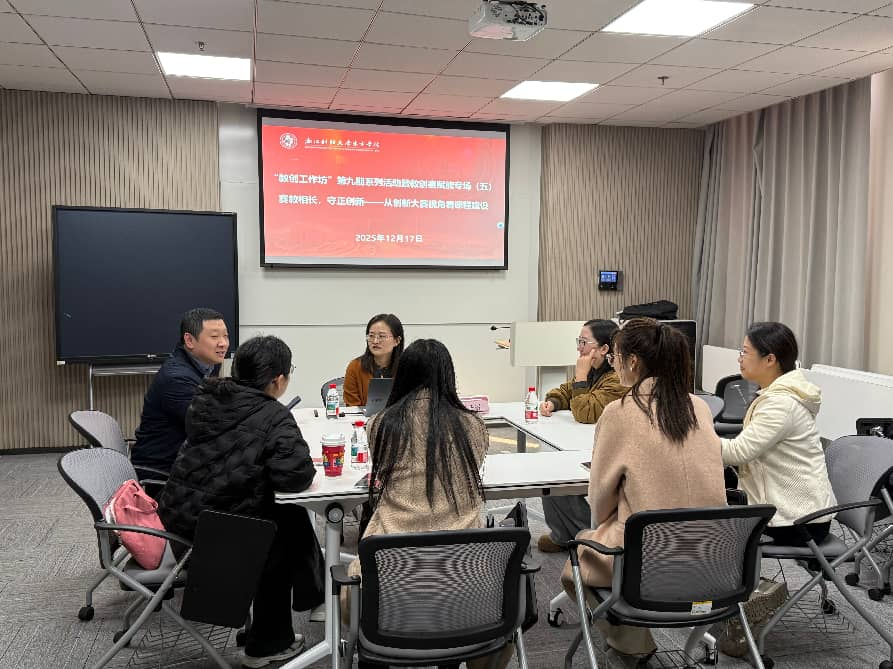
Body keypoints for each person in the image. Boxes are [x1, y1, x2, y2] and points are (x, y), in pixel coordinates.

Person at [560, 318, 726, 658]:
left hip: (647, 560)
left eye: (616, 357)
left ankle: (633, 644)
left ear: (633, 361)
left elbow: (600, 504)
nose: (613, 364)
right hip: (714, 559)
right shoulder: (699, 407)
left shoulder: (620, 412)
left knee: (573, 567)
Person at [158, 336, 323, 669]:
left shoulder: (206, 399)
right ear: (278, 380)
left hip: (182, 515)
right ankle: (268, 644)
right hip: (217, 533)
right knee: (282, 528)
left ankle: (311, 601)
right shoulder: (273, 415)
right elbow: (295, 477)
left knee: (284, 516)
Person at [345, 339, 506, 669]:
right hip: (463, 571)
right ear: (448, 375)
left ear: (402, 375)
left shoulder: (381, 424)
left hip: (392, 571)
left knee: (351, 590)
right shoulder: (473, 425)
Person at [720, 322, 835, 546]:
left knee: (708, 522)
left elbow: (738, 453)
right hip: (791, 510)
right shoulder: (776, 394)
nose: (740, 359)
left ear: (770, 359)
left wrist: (697, 440)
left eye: (745, 352)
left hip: (797, 521)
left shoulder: (781, 404)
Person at [537, 319, 627, 553]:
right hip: (586, 443)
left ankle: (591, 540)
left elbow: (586, 412)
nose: (579, 348)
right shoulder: (595, 372)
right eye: (578, 341)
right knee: (549, 472)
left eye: (584, 342)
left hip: (607, 452)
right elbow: (565, 391)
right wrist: (553, 402)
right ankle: (563, 536)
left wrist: (580, 375)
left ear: (604, 349)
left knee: (560, 478)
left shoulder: (617, 379)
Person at [131, 308, 229, 474]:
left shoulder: (205, 365)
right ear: (189, 340)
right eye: (214, 337)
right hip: (164, 470)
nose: (223, 343)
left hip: (186, 459)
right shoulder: (177, 379)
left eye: (225, 336)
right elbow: (212, 426)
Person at [342, 313, 404, 407]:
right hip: (364, 417)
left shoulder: (407, 367)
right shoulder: (355, 367)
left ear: (397, 341)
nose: (375, 341)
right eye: (371, 336)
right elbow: (352, 407)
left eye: (381, 336)